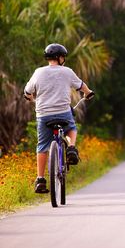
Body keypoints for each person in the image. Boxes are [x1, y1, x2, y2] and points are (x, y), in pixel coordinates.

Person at [24, 43, 94, 194]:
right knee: (71, 128)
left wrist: (29, 97)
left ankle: (41, 180)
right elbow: (82, 86)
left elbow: (27, 91)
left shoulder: (38, 72)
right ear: (59, 57)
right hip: (63, 112)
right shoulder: (67, 72)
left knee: (42, 146)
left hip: (43, 114)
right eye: (63, 56)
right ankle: (71, 148)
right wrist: (88, 93)